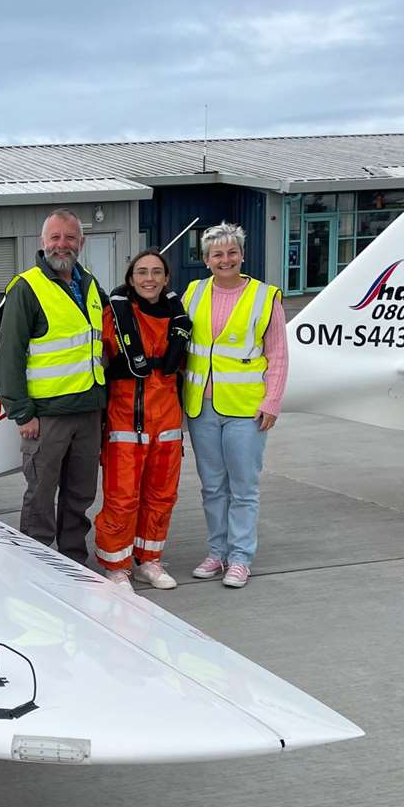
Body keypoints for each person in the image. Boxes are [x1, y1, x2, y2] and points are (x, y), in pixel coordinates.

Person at [0, 208, 107, 565]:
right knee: (41, 496)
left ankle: (73, 561)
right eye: (55, 238)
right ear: (43, 243)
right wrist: (21, 411)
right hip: (45, 417)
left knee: (80, 494)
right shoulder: (26, 288)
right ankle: (36, 565)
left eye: (70, 238)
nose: (63, 245)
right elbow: (9, 355)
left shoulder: (89, 283)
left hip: (87, 411)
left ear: (81, 242)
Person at [181, 222, 287, 588]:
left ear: (242, 255)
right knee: (212, 486)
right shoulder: (193, 293)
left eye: (231, 252)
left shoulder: (264, 296)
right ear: (206, 259)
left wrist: (271, 401)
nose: (224, 260)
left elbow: (278, 355)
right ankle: (217, 552)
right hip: (201, 407)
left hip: (245, 408)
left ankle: (240, 557)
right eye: (216, 254)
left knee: (243, 487)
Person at [94, 249, 192, 591]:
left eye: (156, 272)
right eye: (141, 272)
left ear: (166, 278)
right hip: (126, 420)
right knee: (122, 498)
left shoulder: (179, 320)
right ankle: (116, 565)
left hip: (166, 422)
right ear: (131, 279)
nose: (149, 279)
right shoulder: (115, 315)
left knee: (161, 496)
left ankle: (149, 560)